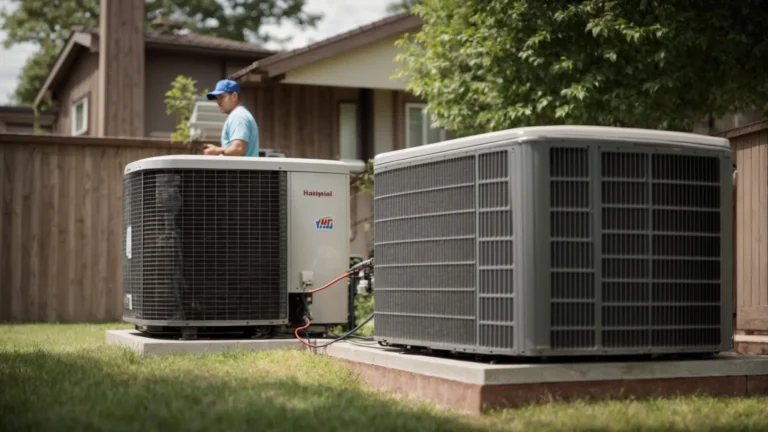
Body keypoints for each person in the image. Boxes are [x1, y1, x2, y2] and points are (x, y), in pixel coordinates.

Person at [202, 79, 260, 157]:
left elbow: (238, 149)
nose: (218, 102)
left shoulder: (238, 116)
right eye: (217, 98)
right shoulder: (240, 114)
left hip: (241, 169)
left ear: (234, 96)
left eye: (221, 97)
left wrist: (217, 150)